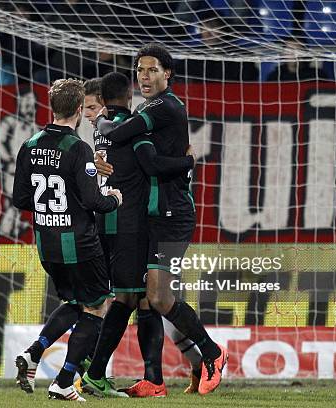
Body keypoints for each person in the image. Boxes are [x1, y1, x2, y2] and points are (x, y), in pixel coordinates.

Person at [91, 44, 228, 396]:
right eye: (140, 70)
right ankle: (182, 370)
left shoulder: (165, 106)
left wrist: (101, 136)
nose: (145, 76)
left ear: (167, 74)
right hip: (155, 214)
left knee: (159, 298)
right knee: (152, 298)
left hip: (174, 214)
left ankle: (213, 354)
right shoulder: (150, 108)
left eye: (152, 70)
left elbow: (134, 148)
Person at [79, 71, 198, 398]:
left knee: (138, 297)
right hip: (132, 223)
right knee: (135, 299)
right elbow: (152, 164)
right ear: (129, 95)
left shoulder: (101, 130)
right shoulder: (132, 128)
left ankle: (147, 377)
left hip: (106, 220)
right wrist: (187, 161)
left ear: (102, 102)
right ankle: (98, 370)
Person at [12, 78, 122, 401]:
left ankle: (34, 353)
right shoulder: (78, 149)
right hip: (79, 244)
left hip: (47, 244)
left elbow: (21, 199)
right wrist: (114, 197)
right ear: (77, 109)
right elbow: (92, 201)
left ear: (52, 106)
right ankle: (64, 381)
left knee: (74, 302)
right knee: (98, 305)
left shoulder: (29, 145)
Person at [0, 87, 39, 239]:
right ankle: (5, 232)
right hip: (11, 171)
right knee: (14, 202)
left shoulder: (36, 129)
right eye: (26, 103)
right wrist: (9, 159)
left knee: (13, 204)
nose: (29, 107)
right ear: (19, 103)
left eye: (32, 104)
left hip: (27, 173)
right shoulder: (9, 122)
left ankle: (13, 228)